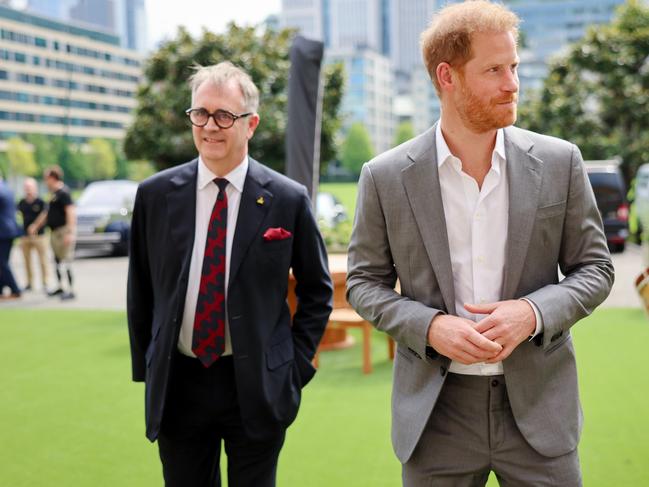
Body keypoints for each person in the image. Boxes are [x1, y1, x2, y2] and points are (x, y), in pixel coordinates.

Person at [346, 2, 614, 486]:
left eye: (513, 66)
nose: (512, 83)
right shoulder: (384, 176)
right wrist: (430, 327)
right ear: (447, 76)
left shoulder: (560, 162)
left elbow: (595, 269)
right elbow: (365, 283)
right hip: (435, 415)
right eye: (494, 69)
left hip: (539, 409)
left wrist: (531, 313)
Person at [127, 62, 333, 487]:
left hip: (257, 384)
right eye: (200, 114)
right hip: (179, 384)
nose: (210, 126)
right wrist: (148, 365)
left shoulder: (287, 200)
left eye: (225, 115)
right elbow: (141, 288)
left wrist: (294, 367)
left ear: (251, 123)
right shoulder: (155, 195)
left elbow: (316, 290)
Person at [29, 165, 76, 300]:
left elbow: (71, 212)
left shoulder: (64, 193)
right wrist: (36, 226)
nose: (45, 181)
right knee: (57, 260)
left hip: (63, 231)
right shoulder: (53, 194)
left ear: (53, 178)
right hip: (54, 231)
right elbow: (46, 213)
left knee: (66, 260)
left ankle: (70, 289)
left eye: (47, 178)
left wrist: (70, 232)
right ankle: (61, 286)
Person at [17, 178, 49, 292]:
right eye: (26, 187)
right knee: (27, 261)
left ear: (35, 188)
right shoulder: (22, 203)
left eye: (30, 187)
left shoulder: (40, 202)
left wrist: (35, 226)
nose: (28, 190)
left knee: (43, 260)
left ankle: (45, 282)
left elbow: (45, 215)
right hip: (25, 236)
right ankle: (29, 282)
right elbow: (18, 217)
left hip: (39, 235)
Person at [0, 173, 21, 299]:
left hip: (3, 231)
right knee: (3, 262)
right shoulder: (7, 188)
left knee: (3, 262)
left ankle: (15, 289)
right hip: (8, 230)